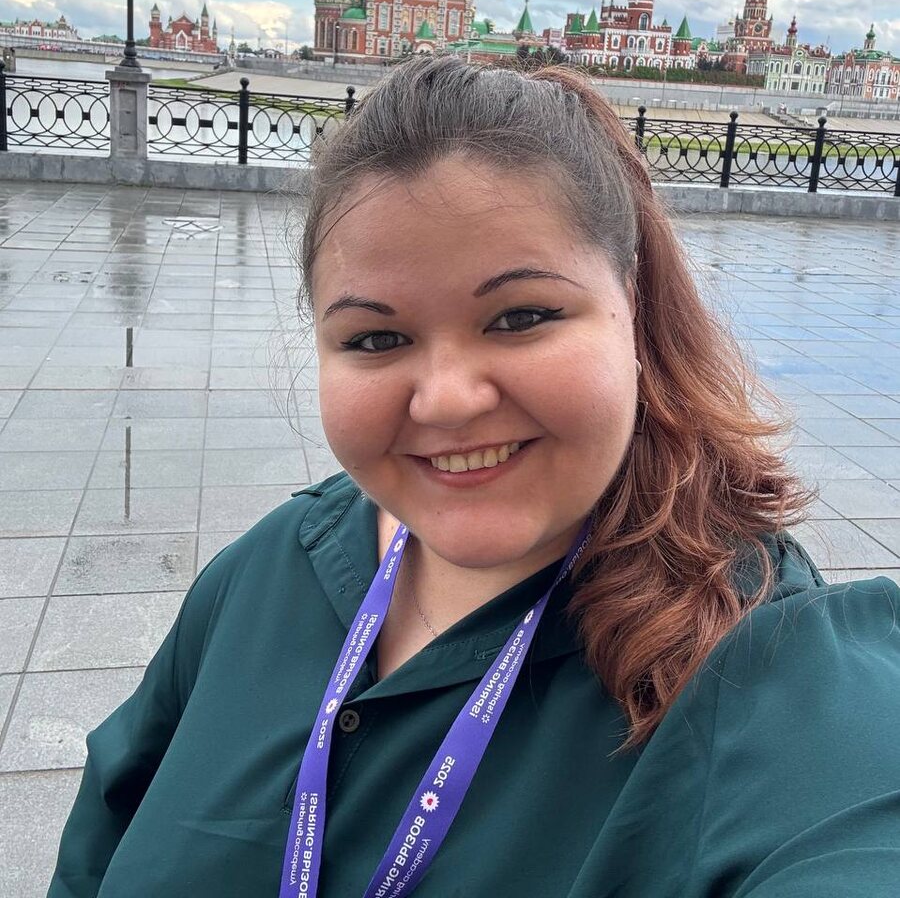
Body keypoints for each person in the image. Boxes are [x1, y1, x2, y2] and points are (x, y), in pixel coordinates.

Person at [48, 56, 900, 897]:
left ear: (633, 309)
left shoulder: (769, 667)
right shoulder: (266, 572)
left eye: (521, 317)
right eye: (376, 339)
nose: (449, 401)